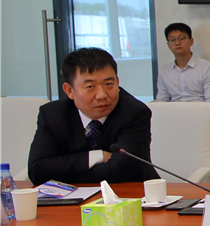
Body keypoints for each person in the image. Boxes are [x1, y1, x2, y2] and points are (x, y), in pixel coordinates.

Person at [27, 48, 156, 185]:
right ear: (69, 90)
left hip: (132, 193)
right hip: (74, 195)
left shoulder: (134, 112)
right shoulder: (53, 114)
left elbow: (121, 171)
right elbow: (37, 170)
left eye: (109, 84)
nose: (102, 95)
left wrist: (61, 172)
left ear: (117, 82)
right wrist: (97, 156)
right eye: (90, 86)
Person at [155, 22, 210, 105]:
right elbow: (162, 101)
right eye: (172, 40)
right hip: (174, 112)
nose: (177, 43)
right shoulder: (164, 71)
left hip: (199, 111)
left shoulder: (206, 68)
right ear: (168, 45)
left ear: (191, 41)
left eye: (181, 38)